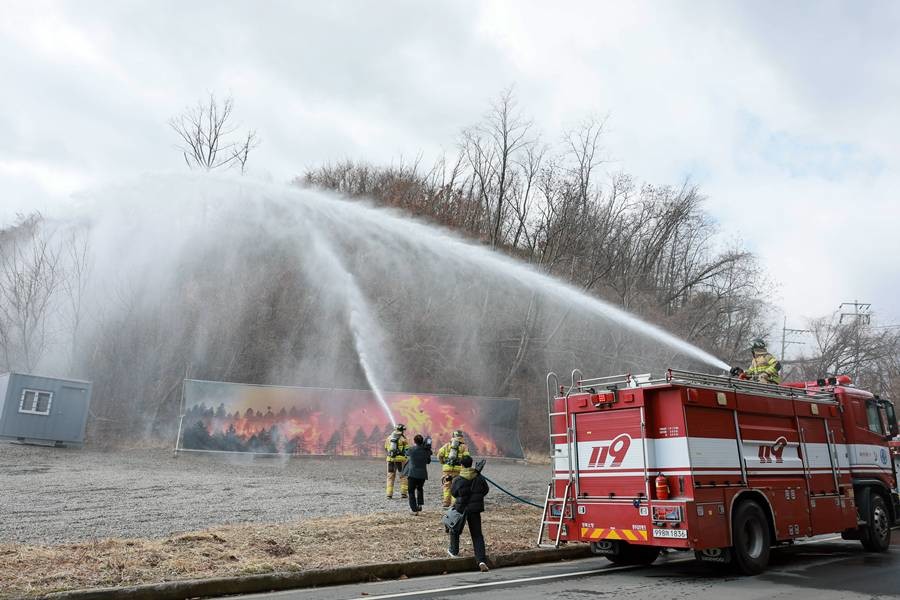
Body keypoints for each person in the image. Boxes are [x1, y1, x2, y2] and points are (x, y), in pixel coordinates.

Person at [447, 455, 490, 572]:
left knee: (454, 529)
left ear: (461, 465)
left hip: (461, 509)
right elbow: (485, 490)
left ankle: (453, 551)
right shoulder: (479, 477)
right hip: (475, 510)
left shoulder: (458, 479)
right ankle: (481, 560)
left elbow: (454, 493)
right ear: (471, 464)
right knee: (477, 535)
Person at [437, 430, 470, 507]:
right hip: (458, 469)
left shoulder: (447, 445)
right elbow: (466, 458)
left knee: (447, 485)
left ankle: (446, 502)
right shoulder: (464, 446)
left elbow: (439, 455)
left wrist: (443, 462)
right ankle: (454, 503)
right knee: (456, 486)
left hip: (447, 469)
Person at [405, 434, 432, 514]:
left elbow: (406, 452)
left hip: (412, 474)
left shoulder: (411, 449)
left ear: (414, 441)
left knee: (411, 491)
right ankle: (420, 504)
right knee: (420, 489)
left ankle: (414, 509)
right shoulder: (426, 450)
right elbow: (428, 461)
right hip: (422, 474)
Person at [384, 423, 409, 499]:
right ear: (402, 430)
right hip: (401, 460)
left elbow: (386, 448)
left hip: (390, 460)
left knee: (390, 477)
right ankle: (404, 493)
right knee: (403, 476)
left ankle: (389, 494)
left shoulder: (389, 438)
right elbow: (407, 450)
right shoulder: (403, 439)